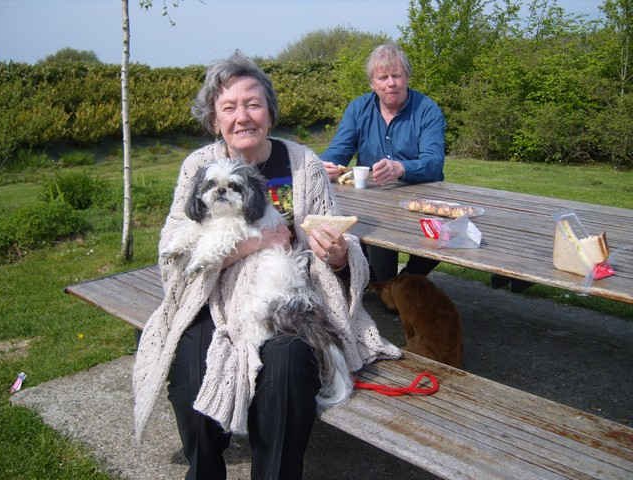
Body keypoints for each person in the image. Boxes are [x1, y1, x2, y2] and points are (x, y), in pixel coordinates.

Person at [132, 52, 400, 480]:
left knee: (290, 367)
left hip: (284, 299)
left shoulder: (303, 164)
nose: (243, 117)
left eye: (253, 104)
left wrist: (336, 254)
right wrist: (255, 242)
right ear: (214, 119)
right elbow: (174, 253)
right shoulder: (198, 167)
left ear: (270, 113)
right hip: (210, 300)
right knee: (189, 378)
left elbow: (338, 239)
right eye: (229, 107)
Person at [321, 43, 446, 282]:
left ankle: (406, 283)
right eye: (383, 77)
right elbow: (339, 151)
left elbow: (434, 163)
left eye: (397, 75)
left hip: (420, 199)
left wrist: (401, 168)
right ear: (372, 84)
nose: (391, 83)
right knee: (382, 277)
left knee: (444, 239)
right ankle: (386, 285)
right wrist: (324, 166)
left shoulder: (427, 110)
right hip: (373, 204)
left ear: (407, 78)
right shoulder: (359, 108)